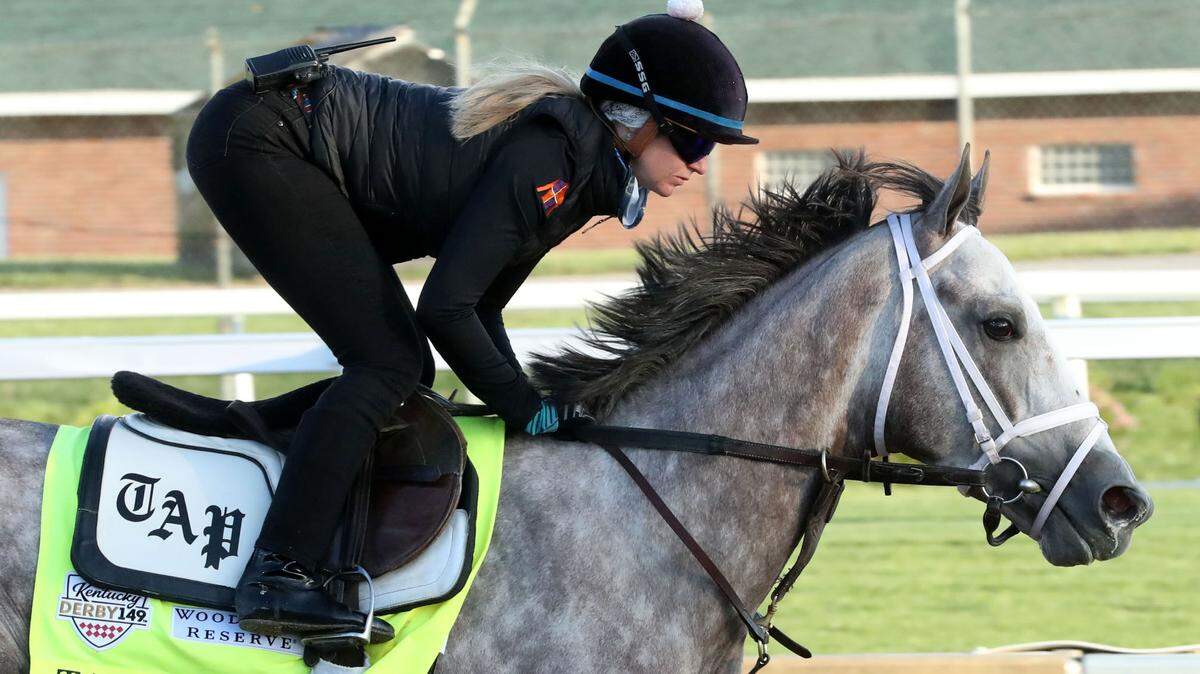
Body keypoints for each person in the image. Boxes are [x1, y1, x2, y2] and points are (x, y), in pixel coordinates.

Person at [183, 1, 757, 643]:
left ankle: (271, 455)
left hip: (285, 131)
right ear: (635, 123)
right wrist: (526, 409)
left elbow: (482, 306)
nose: (704, 162)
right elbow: (445, 309)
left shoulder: (580, 171)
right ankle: (279, 574)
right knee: (390, 364)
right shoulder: (552, 161)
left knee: (397, 367)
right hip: (264, 136)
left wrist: (531, 403)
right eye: (696, 140)